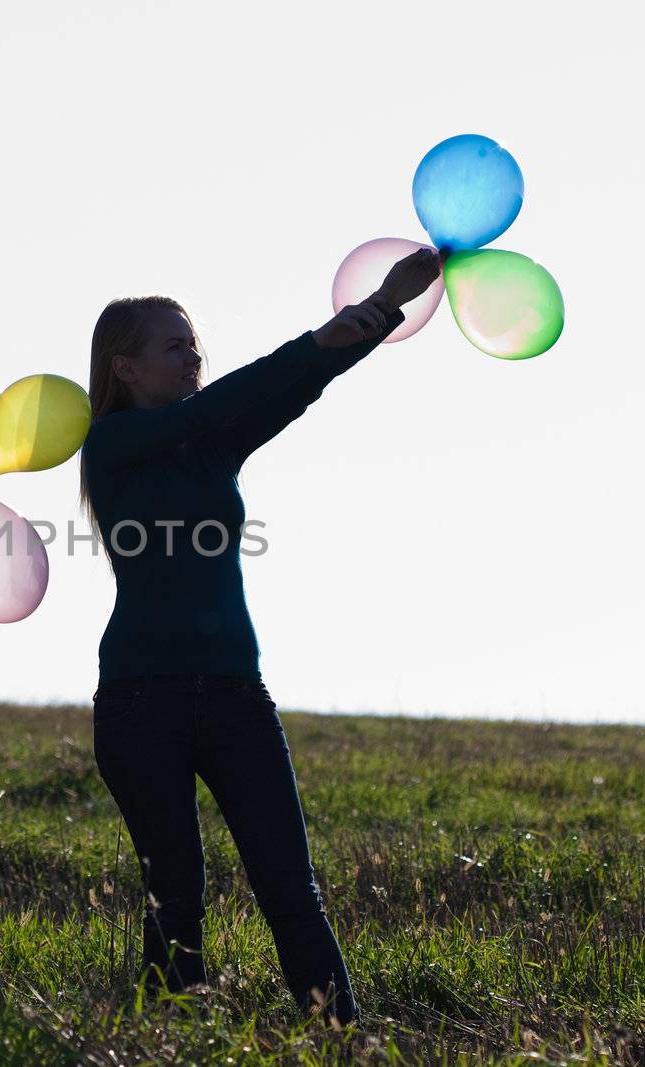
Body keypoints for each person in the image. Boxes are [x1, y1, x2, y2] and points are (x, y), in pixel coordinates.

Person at [77, 248, 442, 1024]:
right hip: (141, 702)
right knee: (173, 893)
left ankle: (341, 1036)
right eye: (173, 344)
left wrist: (376, 309)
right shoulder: (107, 446)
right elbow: (219, 404)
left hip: (236, 697)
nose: (194, 355)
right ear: (126, 367)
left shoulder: (212, 447)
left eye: (194, 343)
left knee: (289, 884)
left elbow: (289, 388)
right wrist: (320, 337)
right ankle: (169, 1042)